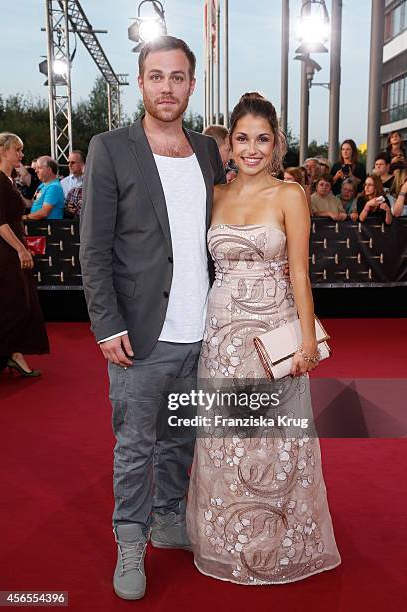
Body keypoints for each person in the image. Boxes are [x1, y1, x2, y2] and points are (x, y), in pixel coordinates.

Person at [80, 36, 226, 601]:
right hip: (140, 331)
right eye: (157, 76)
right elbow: (94, 248)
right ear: (140, 82)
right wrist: (106, 325)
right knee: (136, 445)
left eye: (179, 77)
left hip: (201, 330)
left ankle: (168, 517)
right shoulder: (110, 148)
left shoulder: (206, 153)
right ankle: (131, 540)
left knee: (181, 438)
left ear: (192, 85)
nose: (168, 87)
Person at [186, 92, 341, 585]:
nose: (251, 148)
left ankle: (276, 539)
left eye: (262, 139)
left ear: (276, 145)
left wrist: (308, 340)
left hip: (272, 332)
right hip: (221, 334)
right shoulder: (215, 194)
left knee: (275, 439)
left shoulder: (289, 194)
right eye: (242, 138)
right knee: (227, 438)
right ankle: (228, 539)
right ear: (229, 144)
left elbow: (300, 272)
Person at [0, 133, 49, 375]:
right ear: (3, 151)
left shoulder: (8, 180)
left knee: (22, 302)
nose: (21, 154)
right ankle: (9, 353)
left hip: (13, 251)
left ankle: (14, 353)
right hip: (5, 253)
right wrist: (20, 249)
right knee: (16, 305)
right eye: (17, 150)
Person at [23, 156, 64, 221]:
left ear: (49, 170)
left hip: (48, 228)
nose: (36, 171)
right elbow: (31, 203)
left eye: (39, 168)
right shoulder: (42, 185)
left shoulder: (54, 187)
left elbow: (44, 212)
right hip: (40, 227)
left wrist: (25, 217)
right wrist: (18, 194)